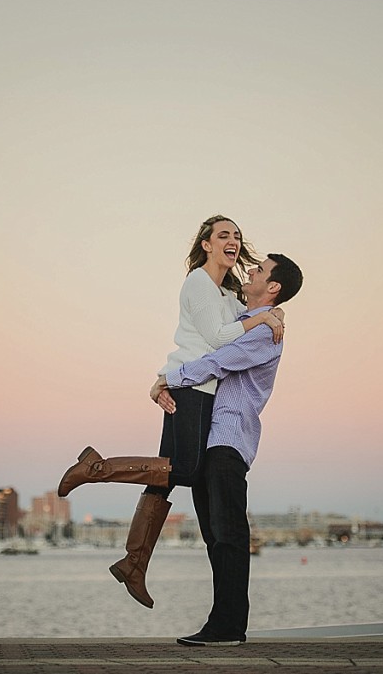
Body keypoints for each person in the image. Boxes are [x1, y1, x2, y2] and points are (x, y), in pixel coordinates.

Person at [57, 216, 284, 610]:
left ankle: (134, 563)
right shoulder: (198, 282)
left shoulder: (225, 291)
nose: (233, 241)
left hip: (189, 384)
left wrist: (271, 313)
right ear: (207, 244)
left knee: (164, 477)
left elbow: (240, 316)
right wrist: (264, 317)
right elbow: (217, 338)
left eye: (237, 236)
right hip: (193, 387)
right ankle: (96, 468)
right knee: (185, 470)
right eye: (223, 235)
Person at [151, 253, 303, 647]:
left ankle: (229, 627)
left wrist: (165, 380)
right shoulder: (246, 321)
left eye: (259, 270)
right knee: (213, 536)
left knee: (229, 534)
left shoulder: (263, 333)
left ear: (273, 287)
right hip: (210, 439)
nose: (250, 271)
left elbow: (217, 362)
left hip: (228, 442)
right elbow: (215, 331)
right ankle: (222, 624)